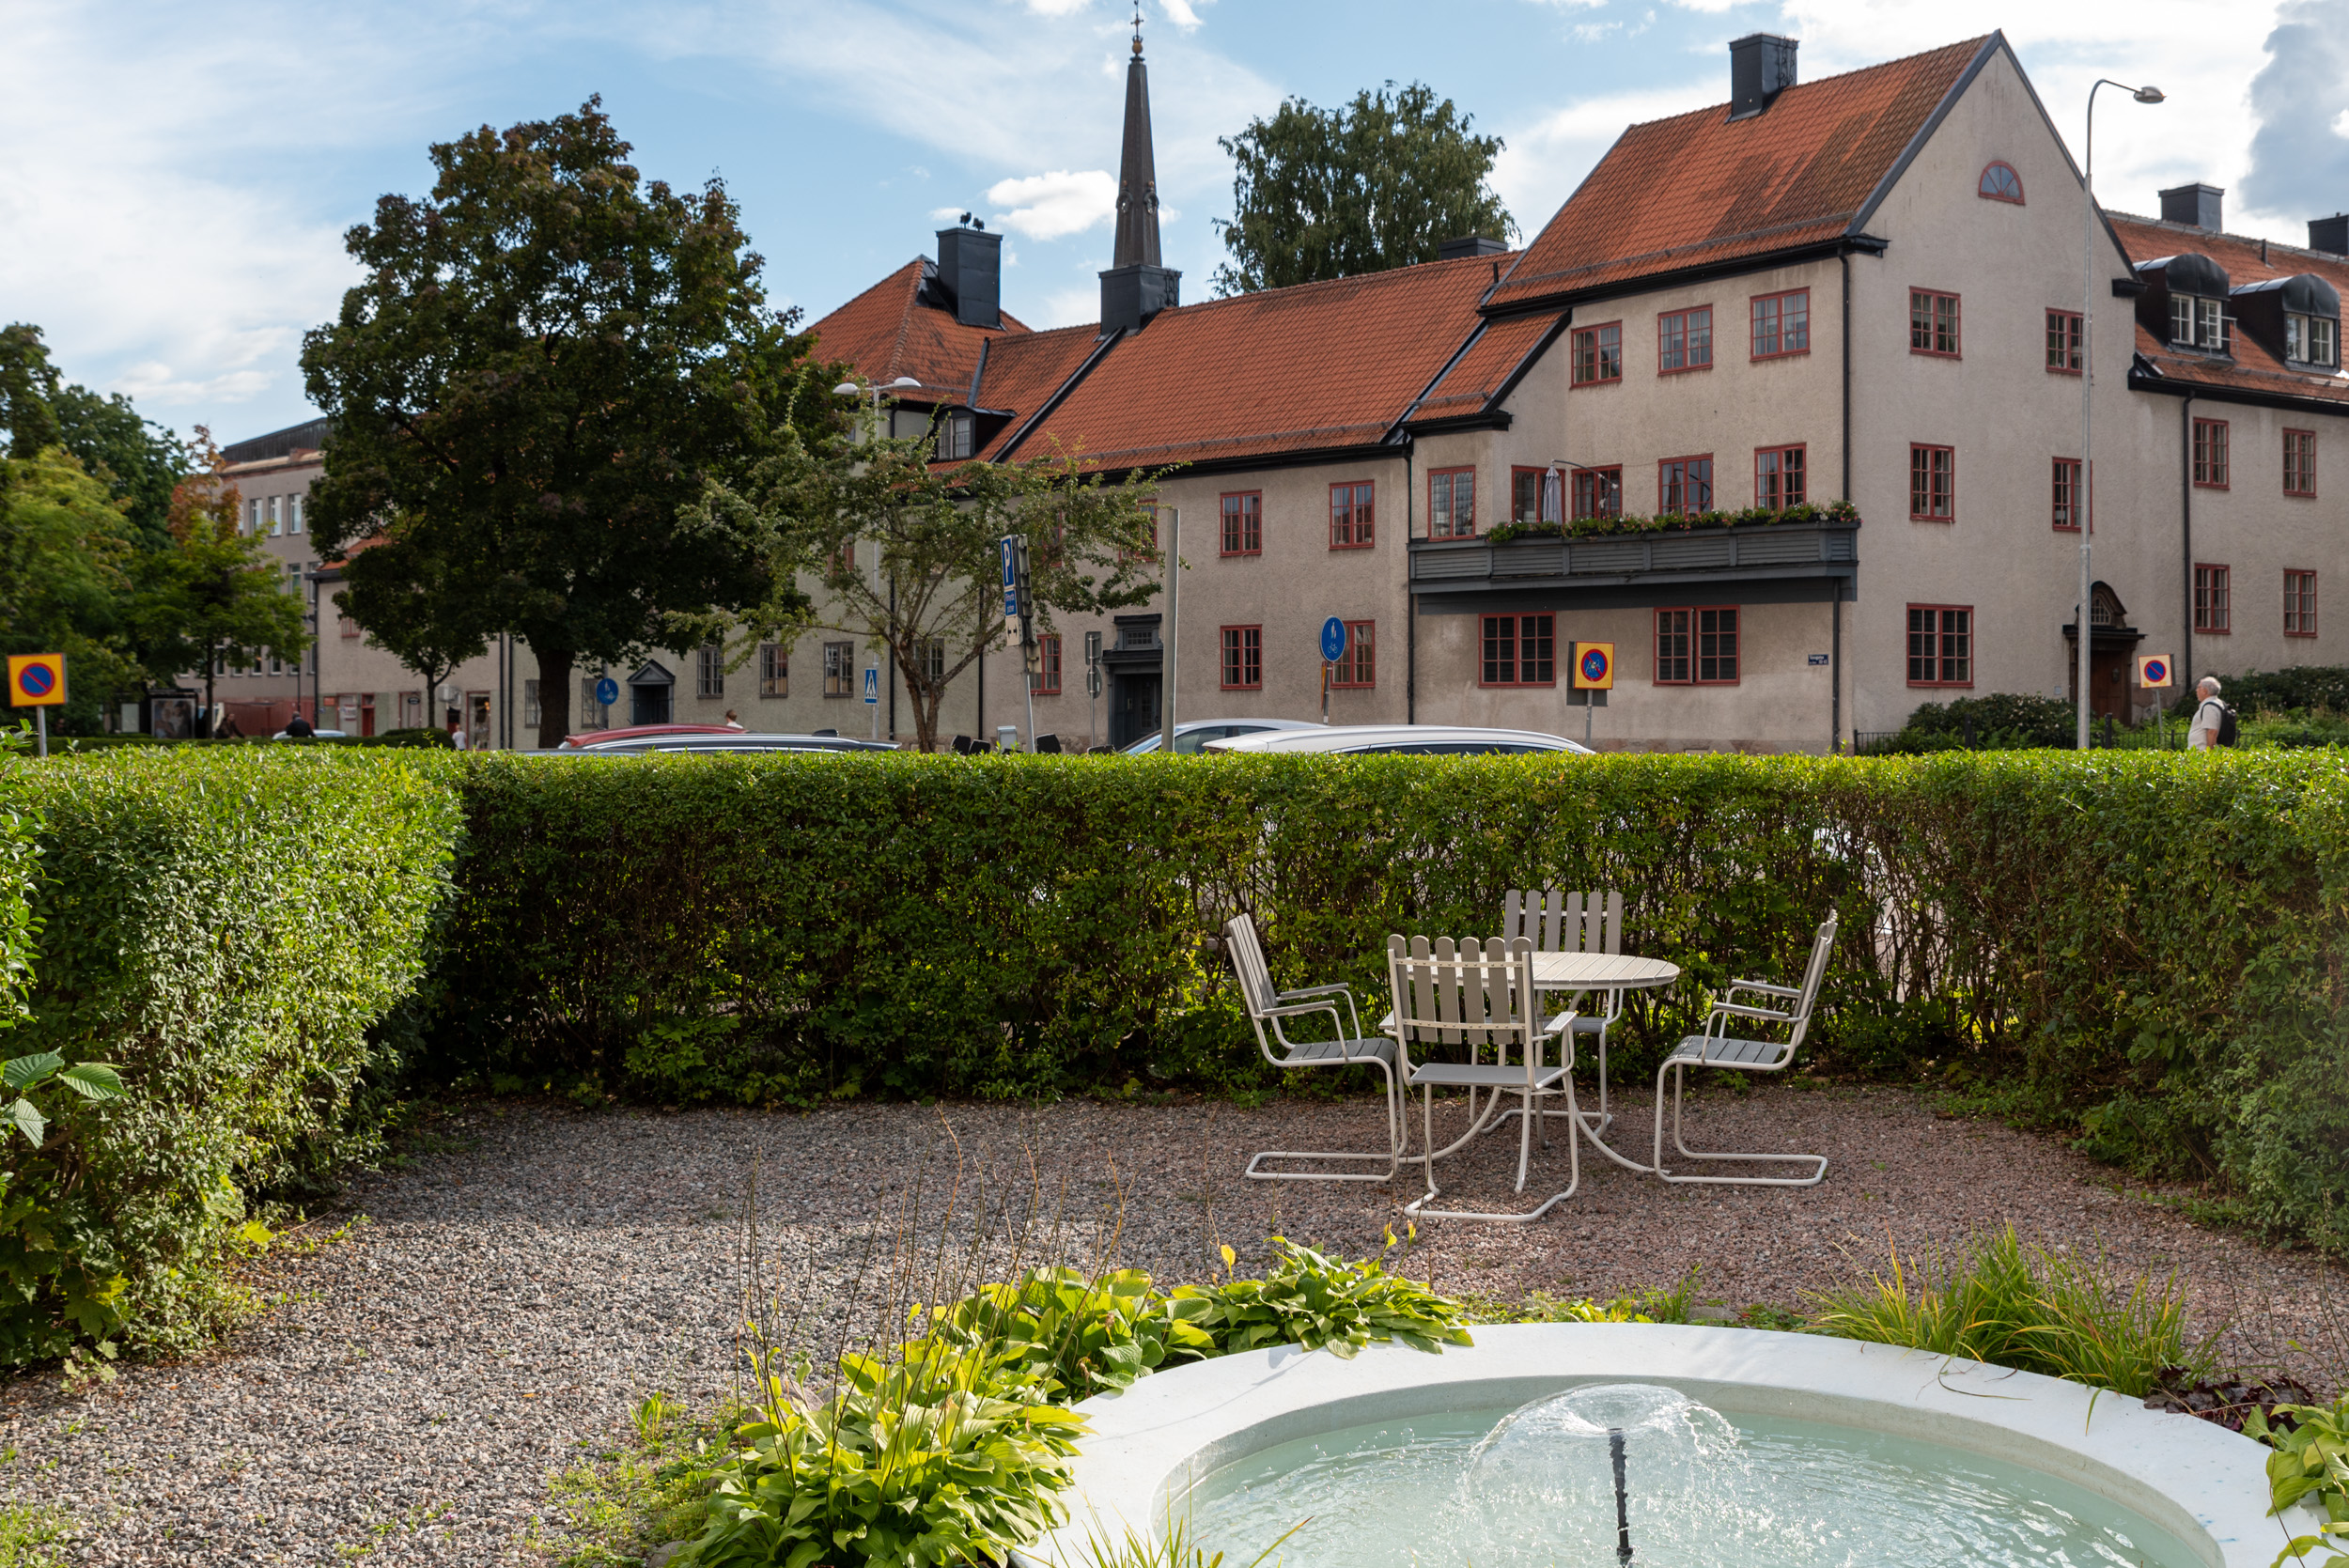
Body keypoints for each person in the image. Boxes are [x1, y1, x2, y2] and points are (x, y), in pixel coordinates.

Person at [2186, 676, 2226, 750]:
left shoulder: (2209, 707)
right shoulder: (2218, 703)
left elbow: (2212, 731)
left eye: (2198, 687)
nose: (2196, 690)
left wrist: (2208, 755)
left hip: (2201, 752)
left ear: (2204, 690)